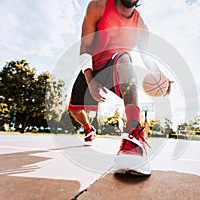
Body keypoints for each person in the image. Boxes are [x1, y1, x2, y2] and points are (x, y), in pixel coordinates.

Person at [68, 0, 172, 175]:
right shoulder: (99, 5)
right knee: (74, 109)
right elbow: (85, 47)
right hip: (92, 66)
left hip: (116, 63)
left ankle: (133, 134)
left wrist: (160, 75)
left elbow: (146, 56)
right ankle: (88, 129)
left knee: (125, 57)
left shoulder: (139, 25)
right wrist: (90, 78)